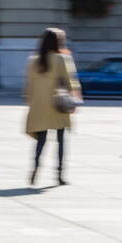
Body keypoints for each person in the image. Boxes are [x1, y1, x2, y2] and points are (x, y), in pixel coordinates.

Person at [24, 28, 81, 186]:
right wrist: (75, 100)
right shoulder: (62, 59)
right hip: (58, 105)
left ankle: (35, 169)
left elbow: (28, 86)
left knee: (40, 141)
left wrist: (30, 102)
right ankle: (59, 175)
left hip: (39, 106)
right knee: (60, 141)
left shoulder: (34, 60)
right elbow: (71, 82)